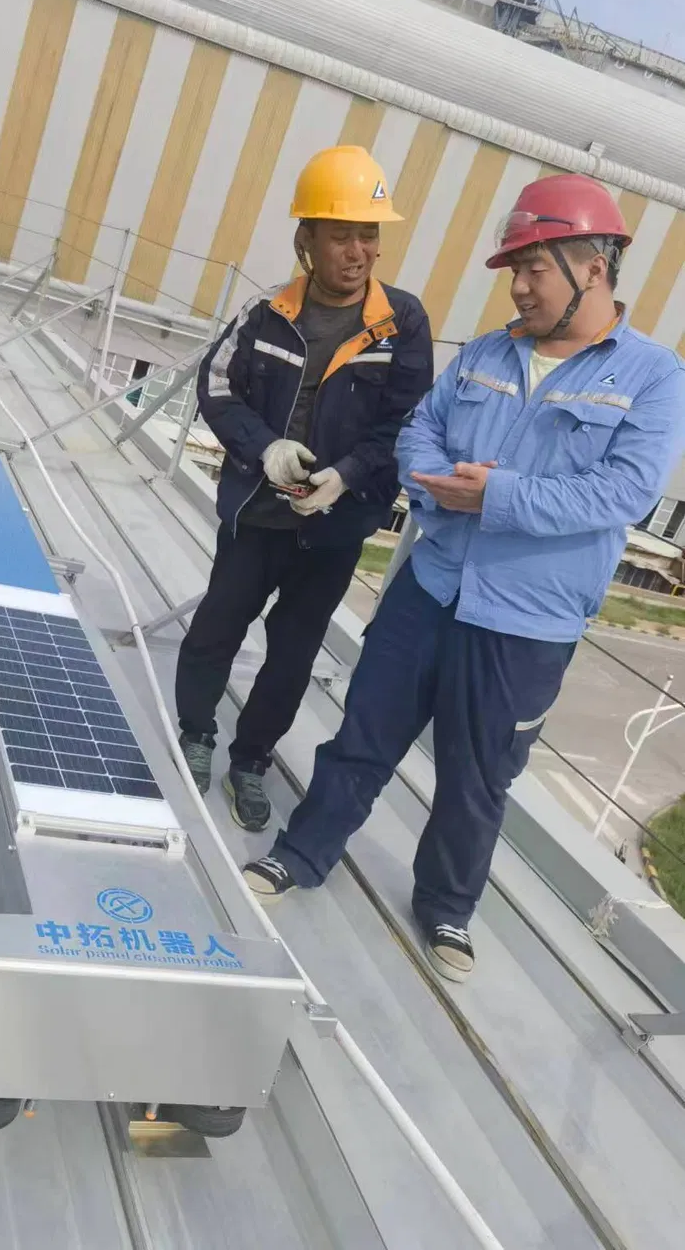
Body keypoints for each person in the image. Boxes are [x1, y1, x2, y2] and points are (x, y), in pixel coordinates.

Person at [243, 173, 685, 981]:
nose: (517, 287)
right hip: (431, 584)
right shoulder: (488, 352)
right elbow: (419, 433)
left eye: (532, 269)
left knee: (476, 775)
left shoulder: (652, 377)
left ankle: (446, 906)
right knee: (362, 736)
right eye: (513, 270)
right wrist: (432, 482)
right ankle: (300, 852)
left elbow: (623, 491)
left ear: (592, 265)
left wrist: (498, 495)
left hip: (526, 621)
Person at [176, 146, 434, 831]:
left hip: (331, 529)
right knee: (216, 626)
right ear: (306, 241)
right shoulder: (265, 314)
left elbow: (405, 424)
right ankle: (195, 731)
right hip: (257, 514)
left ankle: (250, 759)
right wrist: (266, 449)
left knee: (291, 653)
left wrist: (345, 476)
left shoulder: (400, 324)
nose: (360, 251)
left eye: (369, 233)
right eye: (343, 234)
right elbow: (217, 385)